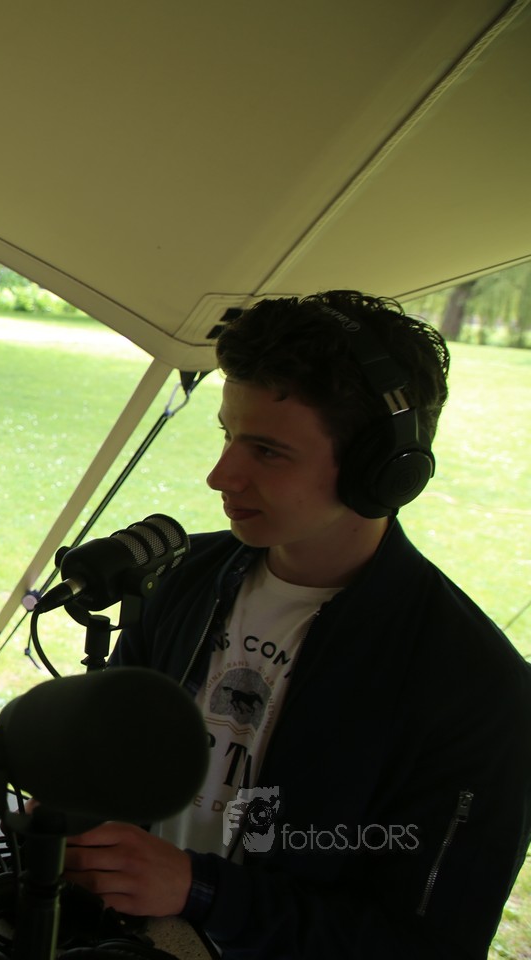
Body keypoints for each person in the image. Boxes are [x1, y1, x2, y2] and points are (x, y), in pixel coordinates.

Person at [60, 291, 531, 958]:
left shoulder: (478, 689)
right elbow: (116, 758)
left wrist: (200, 890)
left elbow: (427, 943)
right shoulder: (178, 580)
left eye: (268, 451)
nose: (221, 475)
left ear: (383, 472)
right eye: (227, 435)